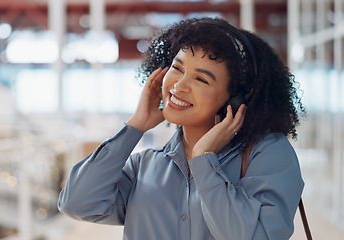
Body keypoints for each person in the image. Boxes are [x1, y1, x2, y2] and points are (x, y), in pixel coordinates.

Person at [58, 17, 305, 239]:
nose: (179, 85)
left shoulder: (269, 155)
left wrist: (204, 161)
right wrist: (136, 126)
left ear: (234, 99)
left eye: (201, 79)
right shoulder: (145, 165)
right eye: (177, 68)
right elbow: (76, 203)